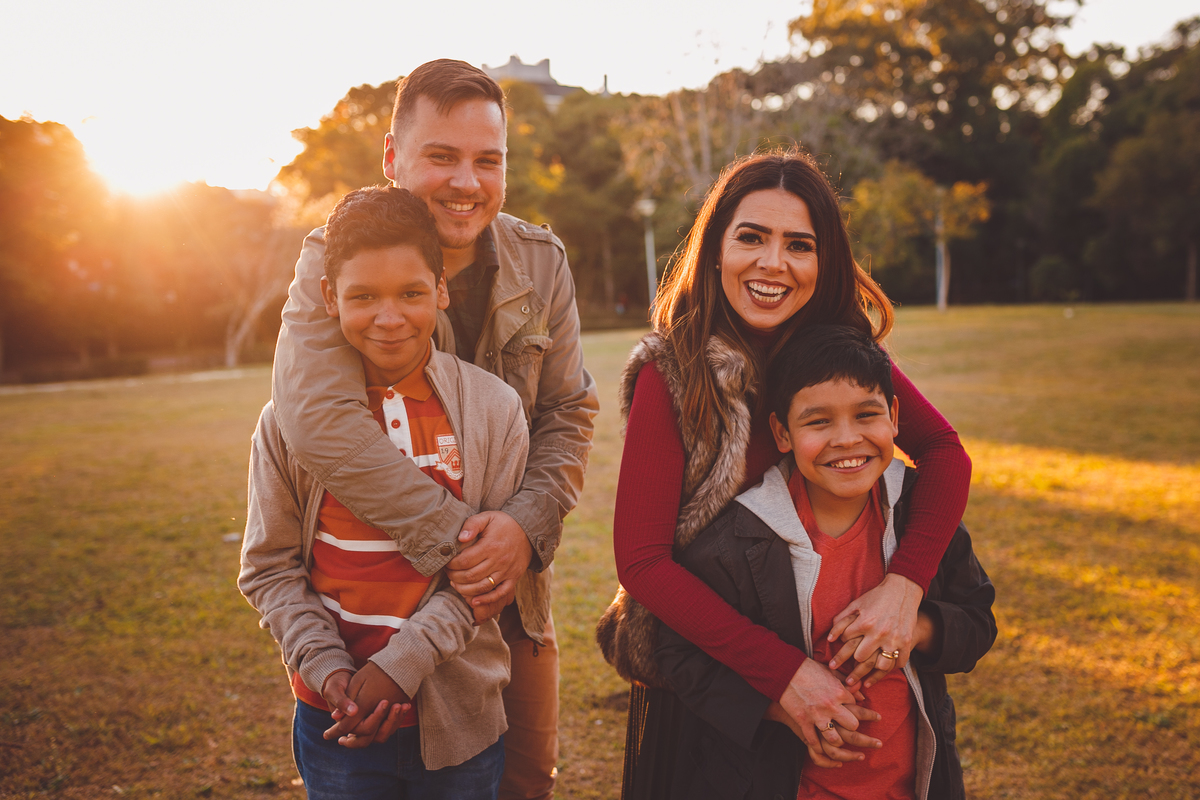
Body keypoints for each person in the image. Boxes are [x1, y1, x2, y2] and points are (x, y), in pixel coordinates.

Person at [597, 149, 973, 796]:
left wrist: (904, 588)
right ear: (716, 249)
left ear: (824, 262)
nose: (773, 263)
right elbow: (642, 563)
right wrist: (785, 677)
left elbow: (944, 454)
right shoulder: (676, 370)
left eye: (799, 245)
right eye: (751, 237)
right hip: (723, 683)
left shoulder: (838, 355)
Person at [270, 59, 598, 800]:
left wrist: (522, 527)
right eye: (441, 157)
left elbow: (568, 412)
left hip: (510, 599)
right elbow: (318, 419)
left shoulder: (540, 263)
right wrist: (466, 542)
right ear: (392, 157)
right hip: (382, 604)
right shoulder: (336, 257)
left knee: (522, 781)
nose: (466, 182)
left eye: (488, 161)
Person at [239, 186, 529, 798]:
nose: (389, 317)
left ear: (442, 290)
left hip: (460, 719)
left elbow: (486, 578)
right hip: (334, 719)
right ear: (328, 297)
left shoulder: (492, 411)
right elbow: (269, 569)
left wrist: (401, 668)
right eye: (363, 297)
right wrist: (328, 669)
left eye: (412, 293)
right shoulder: (289, 425)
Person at [654, 324, 997, 799]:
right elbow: (678, 657)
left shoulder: (922, 516)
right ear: (782, 432)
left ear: (896, 416)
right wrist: (779, 704)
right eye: (818, 422)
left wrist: (916, 628)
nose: (846, 439)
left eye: (866, 415)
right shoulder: (735, 537)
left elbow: (978, 620)